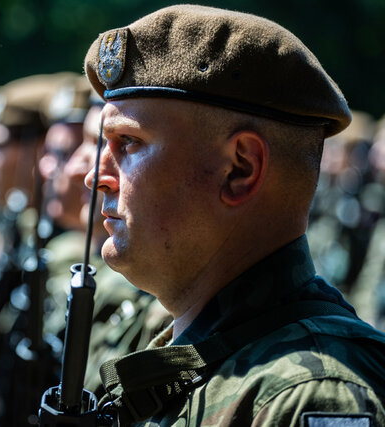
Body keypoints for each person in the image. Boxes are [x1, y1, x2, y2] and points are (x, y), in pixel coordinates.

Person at [80, 5, 385, 425]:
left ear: (240, 169)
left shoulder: (311, 395)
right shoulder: (195, 360)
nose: (96, 177)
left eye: (129, 143)